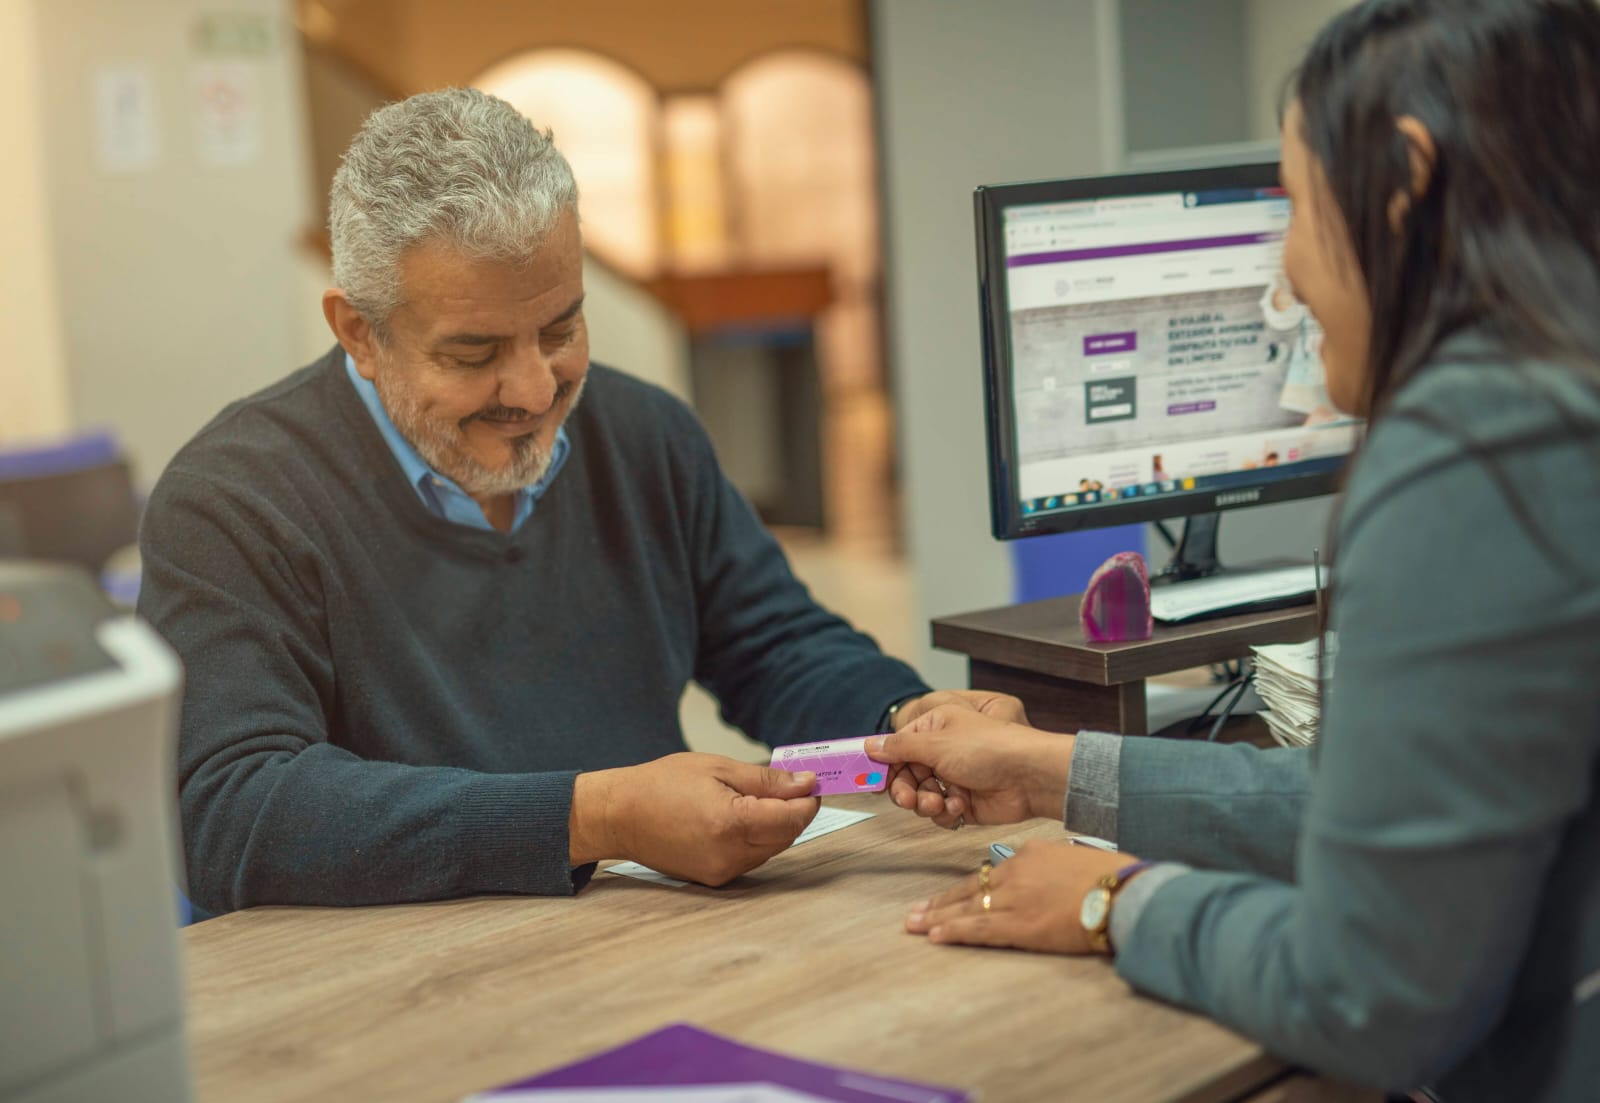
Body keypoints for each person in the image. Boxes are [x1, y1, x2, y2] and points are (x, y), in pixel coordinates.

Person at [868, 1, 1600, 1099]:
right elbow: (1388, 807)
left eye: (1297, 208)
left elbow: (1372, 992)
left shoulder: (1476, 454)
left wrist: (1116, 899)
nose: (1289, 278)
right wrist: (1052, 768)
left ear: (1402, 177)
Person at [139, 88, 1020, 916]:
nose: (531, 388)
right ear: (360, 333)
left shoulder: (645, 434)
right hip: (384, 996)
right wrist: (593, 816)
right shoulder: (232, 500)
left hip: (640, 940)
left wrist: (904, 720)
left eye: (560, 329)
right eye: (473, 352)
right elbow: (232, 813)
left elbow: (775, 645)